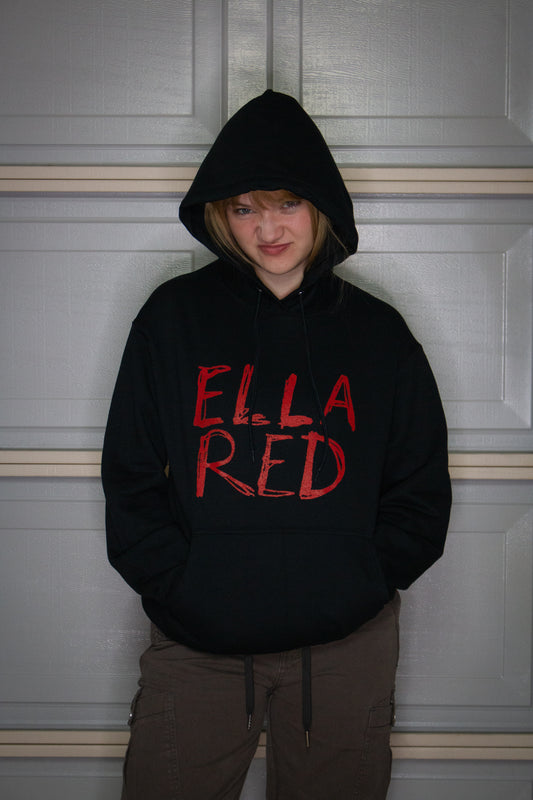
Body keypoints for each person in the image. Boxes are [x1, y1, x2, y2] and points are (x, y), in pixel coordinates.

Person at [101, 89, 451, 800]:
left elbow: (418, 481)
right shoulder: (172, 320)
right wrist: (178, 583)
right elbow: (130, 471)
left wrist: (364, 579)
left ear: (320, 205)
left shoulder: (377, 334)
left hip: (345, 648)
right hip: (197, 647)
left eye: (286, 202)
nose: (267, 228)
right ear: (219, 215)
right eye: (244, 208)